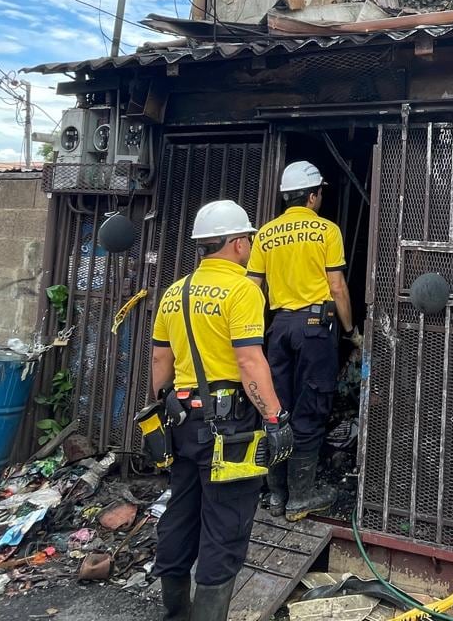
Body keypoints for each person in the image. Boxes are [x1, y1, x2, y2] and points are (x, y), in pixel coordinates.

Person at [150, 200, 295, 621]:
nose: (250, 245)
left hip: (181, 423)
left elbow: (161, 364)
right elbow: (250, 361)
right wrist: (274, 417)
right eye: (248, 239)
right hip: (228, 428)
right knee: (225, 526)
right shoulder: (244, 290)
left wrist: (168, 408)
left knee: (181, 513)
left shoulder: (175, 292)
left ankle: (176, 612)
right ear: (235, 243)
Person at [247, 160, 353, 522]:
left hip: (279, 328)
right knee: (310, 408)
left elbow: (253, 289)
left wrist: (249, 336)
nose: (321, 197)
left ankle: (276, 495)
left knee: (277, 408)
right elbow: (337, 285)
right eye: (320, 192)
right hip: (313, 327)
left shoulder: (264, 235)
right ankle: (300, 498)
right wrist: (351, 329)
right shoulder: (326, 231)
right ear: (312, 195)